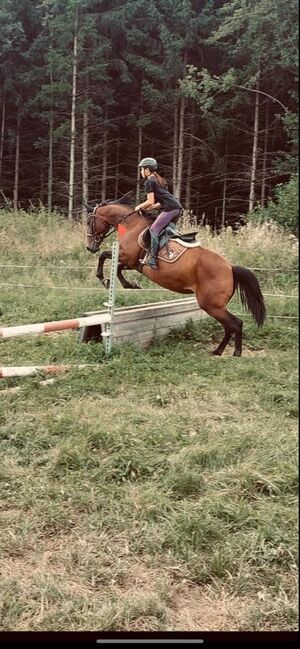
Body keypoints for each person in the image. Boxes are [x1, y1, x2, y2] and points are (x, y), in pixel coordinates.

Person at [135, 157, 182, 269]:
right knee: (164, 231)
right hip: (176, 208)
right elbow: (159, 203)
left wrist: (139, 206)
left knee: (153, 230)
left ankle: (152, 259)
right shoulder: (158, 180)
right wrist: (147, 208)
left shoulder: (149, 182)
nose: (141, 172)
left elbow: (150, 201)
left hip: (171, 209)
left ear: (147, 170)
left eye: (142, 169)